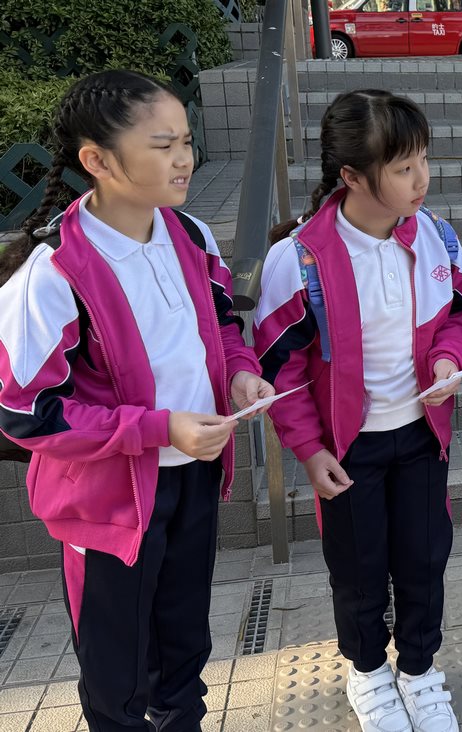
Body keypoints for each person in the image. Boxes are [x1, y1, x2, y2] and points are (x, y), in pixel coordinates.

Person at [0, 69, 272, 731]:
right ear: (97, 160)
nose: (185, 159)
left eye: (186, 141)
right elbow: (27, 414)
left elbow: (221, 326)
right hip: (108, 503)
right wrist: (159, 429)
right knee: (117, 671)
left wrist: (239, 374)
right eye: (162, 145)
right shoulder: (53, 273)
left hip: (193, 480)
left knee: (184, 646)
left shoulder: (192, 236)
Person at [254, 90, 462, 732]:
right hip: (348, 451)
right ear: (351, 176)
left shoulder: (436, 236)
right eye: (403, 168)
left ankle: (419, 670)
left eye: (424, 160)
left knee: (425, 561)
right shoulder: (300, 258)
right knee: (358, 570)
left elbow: (458, 314)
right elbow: (280, 367)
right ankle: (369, 671)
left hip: (422, 436)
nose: (421, 179)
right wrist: (308, 449)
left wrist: (447, 360)